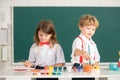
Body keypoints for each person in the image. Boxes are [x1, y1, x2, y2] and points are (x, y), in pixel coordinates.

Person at [71, 14, 100, 80]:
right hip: (79, 68)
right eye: (88, 28)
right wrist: (83, 53)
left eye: (93, 29)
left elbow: (97, 58)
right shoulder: (78, 40)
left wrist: (95, 64)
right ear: (80, 27)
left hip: (90, 69)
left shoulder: (93, 43)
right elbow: (76, 51)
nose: (91, 31)